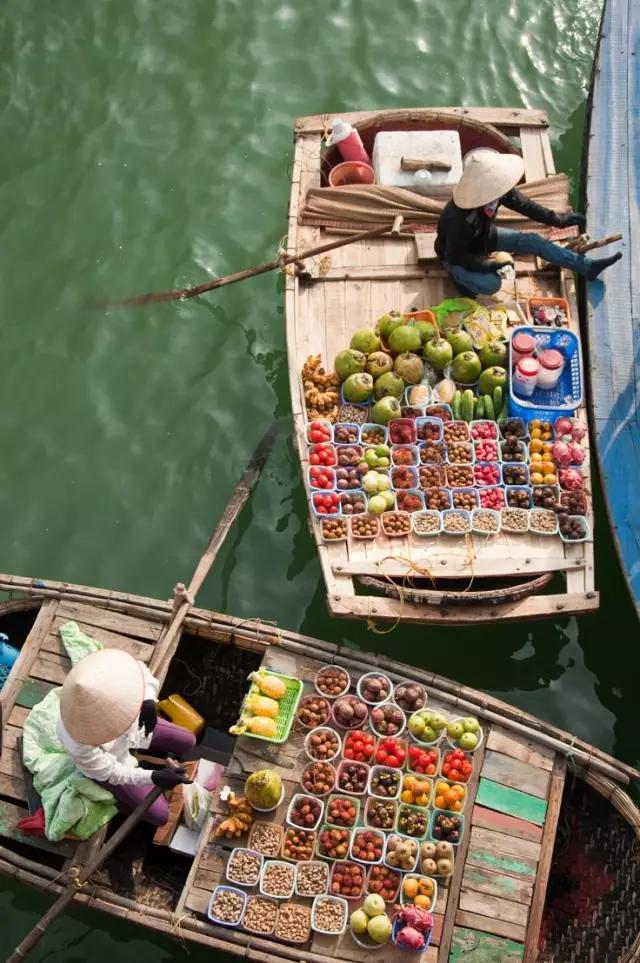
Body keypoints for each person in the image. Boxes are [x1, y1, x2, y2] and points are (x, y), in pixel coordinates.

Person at [435, 149, 622, 298]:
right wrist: (488, 266)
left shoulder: (497, 191)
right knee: (492, 284)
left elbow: (525, 205)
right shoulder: (459, 220)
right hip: (456, 257)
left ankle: (587, 267)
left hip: (484, 237)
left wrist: (559, 220)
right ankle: (459, 279)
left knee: (534, 241)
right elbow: (456, 256)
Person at [56, 648, 195, 826]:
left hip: (137, 727)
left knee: (188, 740)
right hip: (115, 761)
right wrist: (154, 776)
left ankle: (144, 749)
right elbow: (113, 772)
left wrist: (148, 701)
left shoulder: (109, 670)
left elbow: (140, 670)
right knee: (161, 816)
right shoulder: (77, 741)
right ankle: (125, 795)